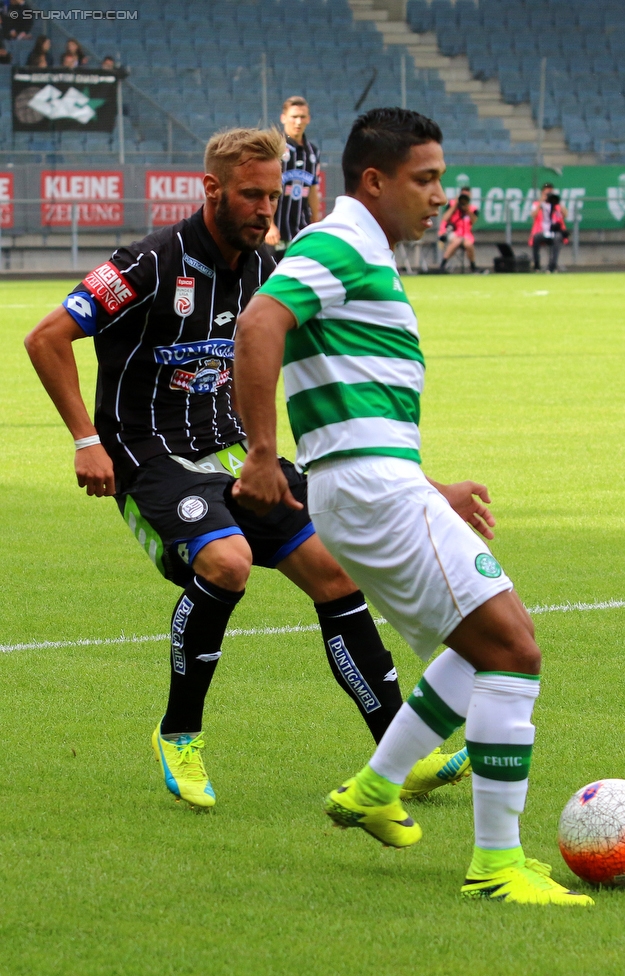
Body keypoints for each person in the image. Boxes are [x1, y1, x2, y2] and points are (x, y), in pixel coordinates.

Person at [25, 126, 468, 813]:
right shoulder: (146, 263)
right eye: (252, 196)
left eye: (275, 195)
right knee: (226, 562)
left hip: (236, 453)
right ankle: (178, 734)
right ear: (212, 190)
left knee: (333, 570)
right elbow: (47, 337)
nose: (266, 210)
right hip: (151, 454)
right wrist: (86, 440)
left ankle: (396, 754)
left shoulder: (268, 269)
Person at [232, 107, 594, 907]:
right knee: (513, 649)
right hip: (368, 493)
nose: (438, 195)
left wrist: (429, 487)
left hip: (372, 484)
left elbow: (347, 409)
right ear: (375, 180)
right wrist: (260, 454)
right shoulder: (341, 241)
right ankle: (496, 865)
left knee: (475, 645)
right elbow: (258, 324)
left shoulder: (361, 251)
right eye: (424, 179)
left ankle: (374, 786)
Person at [264, 96, 320, 255]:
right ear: (283, 118)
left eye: (302, 117)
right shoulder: (275, 148)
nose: (298, 122)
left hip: (301, 231)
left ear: (308, 119)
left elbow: (313, 191)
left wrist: (316, 222)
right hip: (275, 233)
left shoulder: (313, 152)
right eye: (294, 117)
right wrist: (269, 225)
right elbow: (265, 190)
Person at [529, 183, 568, 273]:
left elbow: (565, 215)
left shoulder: (557, 205)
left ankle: (552, 266)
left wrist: (558, 202)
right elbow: (533, 214)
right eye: (546, 193)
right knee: (536, 238)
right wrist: (541, 202)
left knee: (557, 238)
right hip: (542, 231)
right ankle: (537, 266)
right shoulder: (537, 204)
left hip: (555, 231)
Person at [439, 186, 478, 272]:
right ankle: (443, 265)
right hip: (453, 233)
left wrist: (467, 210)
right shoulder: (452, 204)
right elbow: (445, 218)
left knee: (469, 245)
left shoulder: (472, 209)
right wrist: (456, 205)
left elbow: (474, 221)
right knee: (457, 241)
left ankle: (473, 267)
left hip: (466, 235)